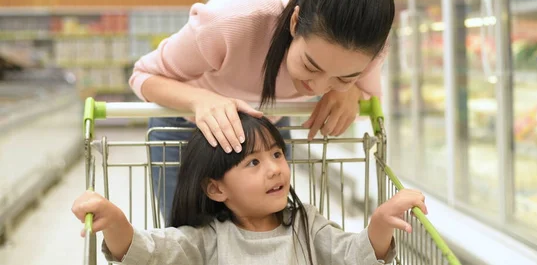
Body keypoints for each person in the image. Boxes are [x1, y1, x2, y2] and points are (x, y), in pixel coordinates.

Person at [131, 0, 395, 222]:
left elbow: (364, 91)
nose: (318, 88)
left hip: (267, 130)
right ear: (294, 22)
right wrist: (202, 101)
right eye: (311, 66)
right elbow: (144, 76)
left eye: (343, 75)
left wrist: (350, 91)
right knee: (187, 240)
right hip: (187, 128)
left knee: (267, 238)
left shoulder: (367, 43)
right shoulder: (232, 20)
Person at [72, 112, 428, 265]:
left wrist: (380, 222)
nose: (274, 168)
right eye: (254, 163)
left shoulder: (306, 224)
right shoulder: (208, 238)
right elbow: (150, 253)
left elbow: (351, 254)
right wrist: (114, 220)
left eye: (276, 153)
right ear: (216, 189)